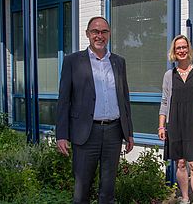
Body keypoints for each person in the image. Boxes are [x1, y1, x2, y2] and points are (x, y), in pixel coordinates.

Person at [56, 16, 134, 203]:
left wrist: (128, 133)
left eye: (104, 32)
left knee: (108, 190)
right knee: (81, 190)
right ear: (87, 34)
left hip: (114, 132)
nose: (100, 35)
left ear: (109, 34)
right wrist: (61, 134)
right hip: (85, 133)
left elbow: (124, 99)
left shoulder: (118, 62)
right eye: (95, 32)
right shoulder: (72, 61)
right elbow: (64, 100)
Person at [158, 34, 193, 204]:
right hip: (175, 123)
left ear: (189, 49)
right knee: (181, 163)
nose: (181, 50)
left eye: (184, 47)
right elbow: (165, 101)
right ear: (174, 52)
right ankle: (184, 197)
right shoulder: (169, 75)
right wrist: (161, 126)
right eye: (178, 48)